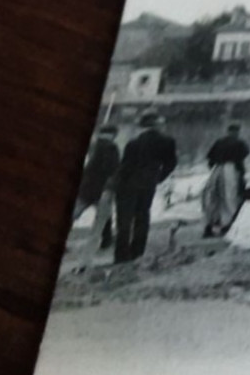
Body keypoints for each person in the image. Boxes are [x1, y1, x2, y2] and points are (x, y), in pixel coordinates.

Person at [113, 111, 177, 264]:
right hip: (149, 183)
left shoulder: (133, 143)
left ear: (143, 126)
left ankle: (122, 256)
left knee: (124, 220)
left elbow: (126, 166)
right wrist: (158, 178)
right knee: (143, 217)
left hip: (128, 183)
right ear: (156, 125)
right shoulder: (167, 141)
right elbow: (171, 163)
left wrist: (115, 182)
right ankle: (137, 252)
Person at [73, 124, 120, 261]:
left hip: (85, 186)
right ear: (113, 134)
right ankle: (105, 242)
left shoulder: (93, 145)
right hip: (100, 188)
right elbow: (112, 169)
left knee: (76, 212)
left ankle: (107, 239)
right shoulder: (111, 147)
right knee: (104, 214)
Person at [201, 122, 249, 237]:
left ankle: (211, 224)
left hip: (217, 170)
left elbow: (210, 160)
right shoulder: (239, 143)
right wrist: (242, 175)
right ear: (237, 131)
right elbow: (240, 161)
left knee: (214, 198)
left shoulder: (219, 142)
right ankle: (228, 224)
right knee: (230, 198)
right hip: (230, 170)